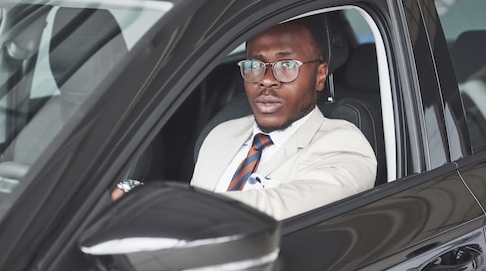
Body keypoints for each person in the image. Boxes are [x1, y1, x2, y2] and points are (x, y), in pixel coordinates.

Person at [114, 17, 377, 220]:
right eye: (255, 65)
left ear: (320, 76)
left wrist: (155, 203)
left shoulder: (344, 143)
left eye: (286, 66)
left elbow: (277, 208)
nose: (265, 79)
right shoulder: (221, 133)